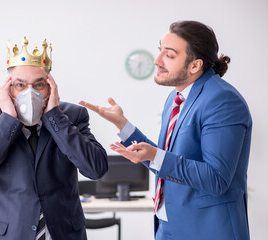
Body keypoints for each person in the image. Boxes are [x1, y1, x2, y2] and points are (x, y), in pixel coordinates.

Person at [79, 20, 252, 240]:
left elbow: (216, 179)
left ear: (194, 65)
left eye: (169, 55)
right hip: (169, 227)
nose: (157, 60)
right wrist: (123, 125)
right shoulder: (175, 98)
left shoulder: (222, 100)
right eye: (159, 50)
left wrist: (155, 155)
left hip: (208, 230)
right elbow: (166, 163)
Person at [0, 37, 108, 240]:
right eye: (20, 85)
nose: (29, 93)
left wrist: (55, 118)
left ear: (50, 88)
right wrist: (7, 122)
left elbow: (96, 169)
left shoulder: (73, 116)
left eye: (39, 84)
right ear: (8, 89)